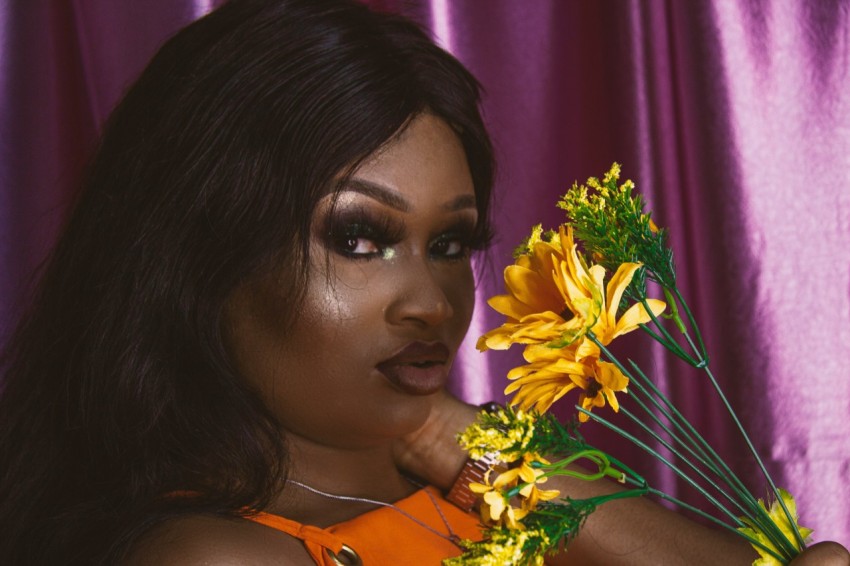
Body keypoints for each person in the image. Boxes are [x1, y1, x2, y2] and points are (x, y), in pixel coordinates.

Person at [0, 0, 847, 564]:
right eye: (360, 238)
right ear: (201, 256)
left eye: (449, 242)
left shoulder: (481, 462)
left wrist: (479, 450)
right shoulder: (220, 553)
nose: (430, 302)